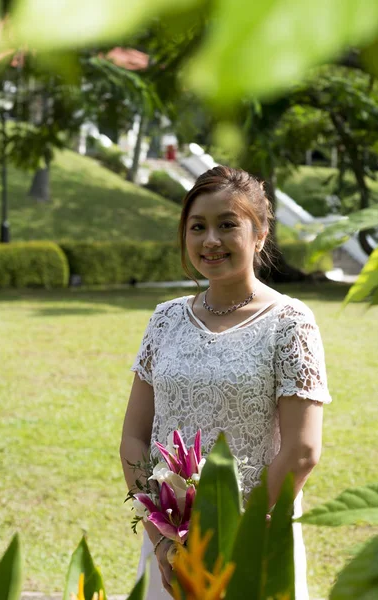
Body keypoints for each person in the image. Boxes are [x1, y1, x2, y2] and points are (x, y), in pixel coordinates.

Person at [120, 166, 332, 600]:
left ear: (260, 233)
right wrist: (165, 538)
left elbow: (303, 449)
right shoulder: (165, 319)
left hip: (256, 537)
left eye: (227, 225)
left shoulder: (290, 324)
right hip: (172, 548)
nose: (210, 240)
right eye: (197, 227)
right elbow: (134, 437)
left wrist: (233, 536)